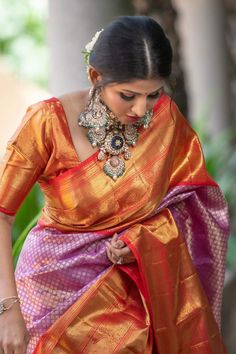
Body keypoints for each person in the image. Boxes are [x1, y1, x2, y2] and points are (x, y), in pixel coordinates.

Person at [0, 15, 229, 354]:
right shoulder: (48, 122)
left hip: (132, 291)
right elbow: (2, 213)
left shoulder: (164, 119)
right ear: (95, 77)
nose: (141, 109)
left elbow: (189, 198)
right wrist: (8, 310)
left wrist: (141, 239)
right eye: (128, 95)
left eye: (153, 95)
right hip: (52, 293)